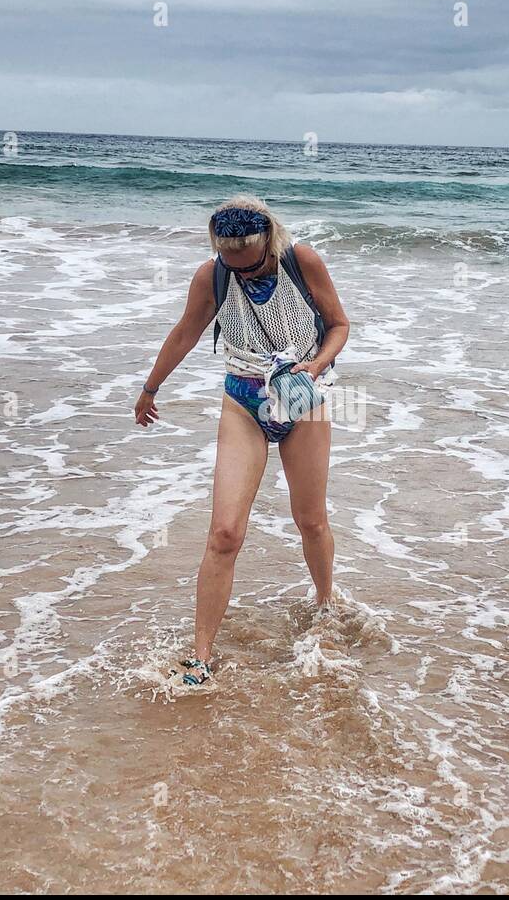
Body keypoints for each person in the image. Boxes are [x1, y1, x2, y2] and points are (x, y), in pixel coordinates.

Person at [134, 196, 350, 685]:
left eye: (248, 264)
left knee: (310, 520)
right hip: (243, 405)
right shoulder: (211, 275)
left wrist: (316, 365)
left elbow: (339, 324)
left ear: (268, 243)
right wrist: (150, 387)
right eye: (229, 262)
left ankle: (324, 603)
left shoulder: (303, 261)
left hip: (304, 402)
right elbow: (186, 331)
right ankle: (202, 655)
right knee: (225, 534)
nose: (241, 273)